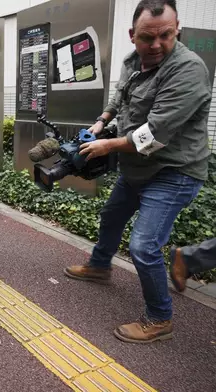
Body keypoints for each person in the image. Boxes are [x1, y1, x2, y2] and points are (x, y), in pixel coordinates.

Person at [64, 0, 212, 344]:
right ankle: (100, 266)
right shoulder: (134, 60)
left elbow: (155, 133)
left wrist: (106, 146)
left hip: (175, 170)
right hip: (138, 167)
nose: (157, 44)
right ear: (133, 36)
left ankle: (160, 318)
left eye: (166, 36)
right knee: (112, 215)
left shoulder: (187, 70)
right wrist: (101, 123)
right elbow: (120, 97)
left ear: (178, 31)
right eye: (148, 37)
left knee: (144, 245)